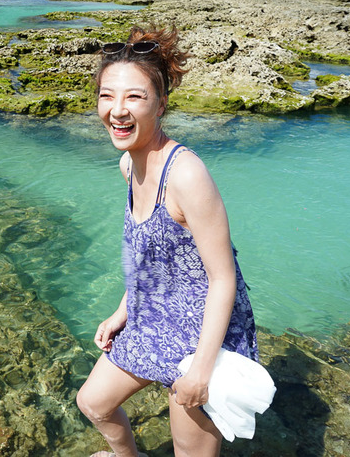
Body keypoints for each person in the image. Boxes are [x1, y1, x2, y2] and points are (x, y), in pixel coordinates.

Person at [76, 25, 258, 457]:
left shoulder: (186, 174)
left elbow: (223, 278)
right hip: (153, 317)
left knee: (188, 452)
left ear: (160, 104)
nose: (117, 110)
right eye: (107, 95)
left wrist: (201, 369)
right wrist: (123, 311)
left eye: (134, 97)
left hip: (203, 335)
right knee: (93, 403)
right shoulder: (128, 165)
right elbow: (150, 258)